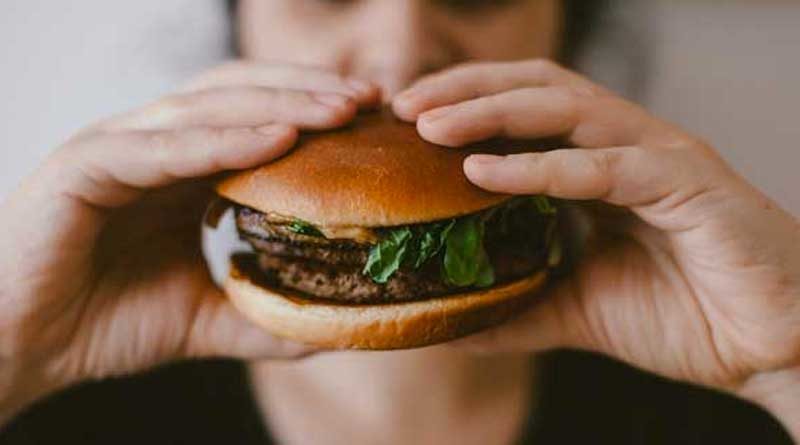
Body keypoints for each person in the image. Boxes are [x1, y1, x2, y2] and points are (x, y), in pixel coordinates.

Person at [0, 1, 797, 443]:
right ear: (238, 23)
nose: (400, 52)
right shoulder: (73, 402)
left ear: (566, 32)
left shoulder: (716, 400)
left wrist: (785, 364)